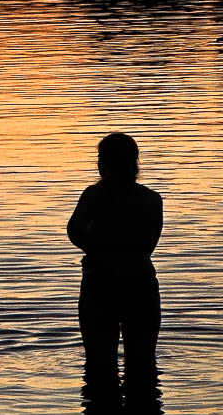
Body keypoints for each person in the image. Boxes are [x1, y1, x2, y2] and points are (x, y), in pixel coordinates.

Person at [67, 132, 163, 388]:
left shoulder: (93, 196)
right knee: (143, 365)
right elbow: (149, 245)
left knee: (99, 365)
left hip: (100, 284)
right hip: (140, 283)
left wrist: (98, 249)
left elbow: (74, 232)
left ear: (104, 163)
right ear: (134, 162)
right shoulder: (151, 199)